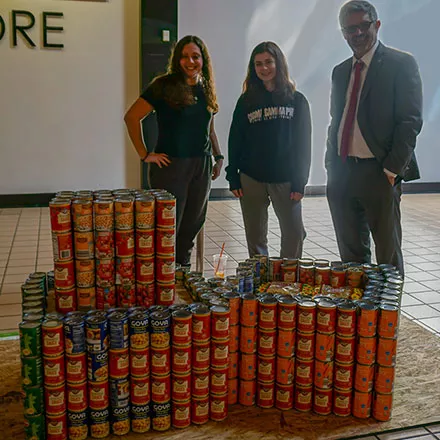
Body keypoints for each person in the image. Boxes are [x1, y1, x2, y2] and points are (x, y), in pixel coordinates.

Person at [325, 0, 423, 275]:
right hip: (343, 172)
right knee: (351, 256)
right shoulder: (340, 71)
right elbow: (337, 120)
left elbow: (410, 120)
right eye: (349, 29)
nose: (356, 34)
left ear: (376, 25)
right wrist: (331, 166)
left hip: (380, 173)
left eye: (362, 26)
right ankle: (360, 315)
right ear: (343, 33)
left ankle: (389, 317)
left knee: (388, 255)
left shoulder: (400, 64)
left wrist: (393, 168)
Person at [124, 35, 224, 267]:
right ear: (177, 60)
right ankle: (162, 279)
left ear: (203, 59)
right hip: (171, 167)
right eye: (185, 57)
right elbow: (132, 117)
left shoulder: (205, 87)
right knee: (167, 227)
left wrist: (217, 157)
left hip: (201, 165)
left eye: (195, 56)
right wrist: (145, 154)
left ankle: (183, 274)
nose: (190, 61)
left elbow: (209, 128)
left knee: (192, 225)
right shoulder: (163, 86)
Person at [226, 41, 312, 259]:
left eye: (268, 62)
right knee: (255, 236)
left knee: (293, 233)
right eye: (258, 64)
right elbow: (235, 138)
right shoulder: (247, 100)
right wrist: (233, 176)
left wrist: (300, 181)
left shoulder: (296, 100)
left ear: (279, 63)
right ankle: (261, 279)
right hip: (251, 178)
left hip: (285, 179)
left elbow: (304, 144)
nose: (264, 68)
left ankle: (288, 280)